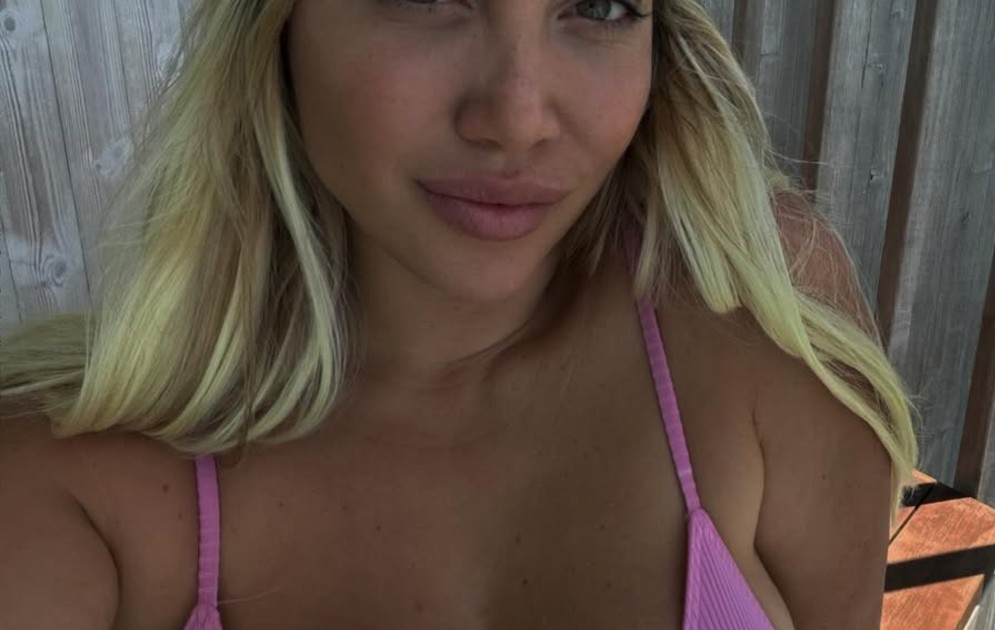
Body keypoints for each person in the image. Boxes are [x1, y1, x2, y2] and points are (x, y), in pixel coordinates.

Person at [0, 0, 918, 627]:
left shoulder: (763, 302)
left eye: (598, 5)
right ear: (278, 25)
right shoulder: (64, 486)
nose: (518, 119)